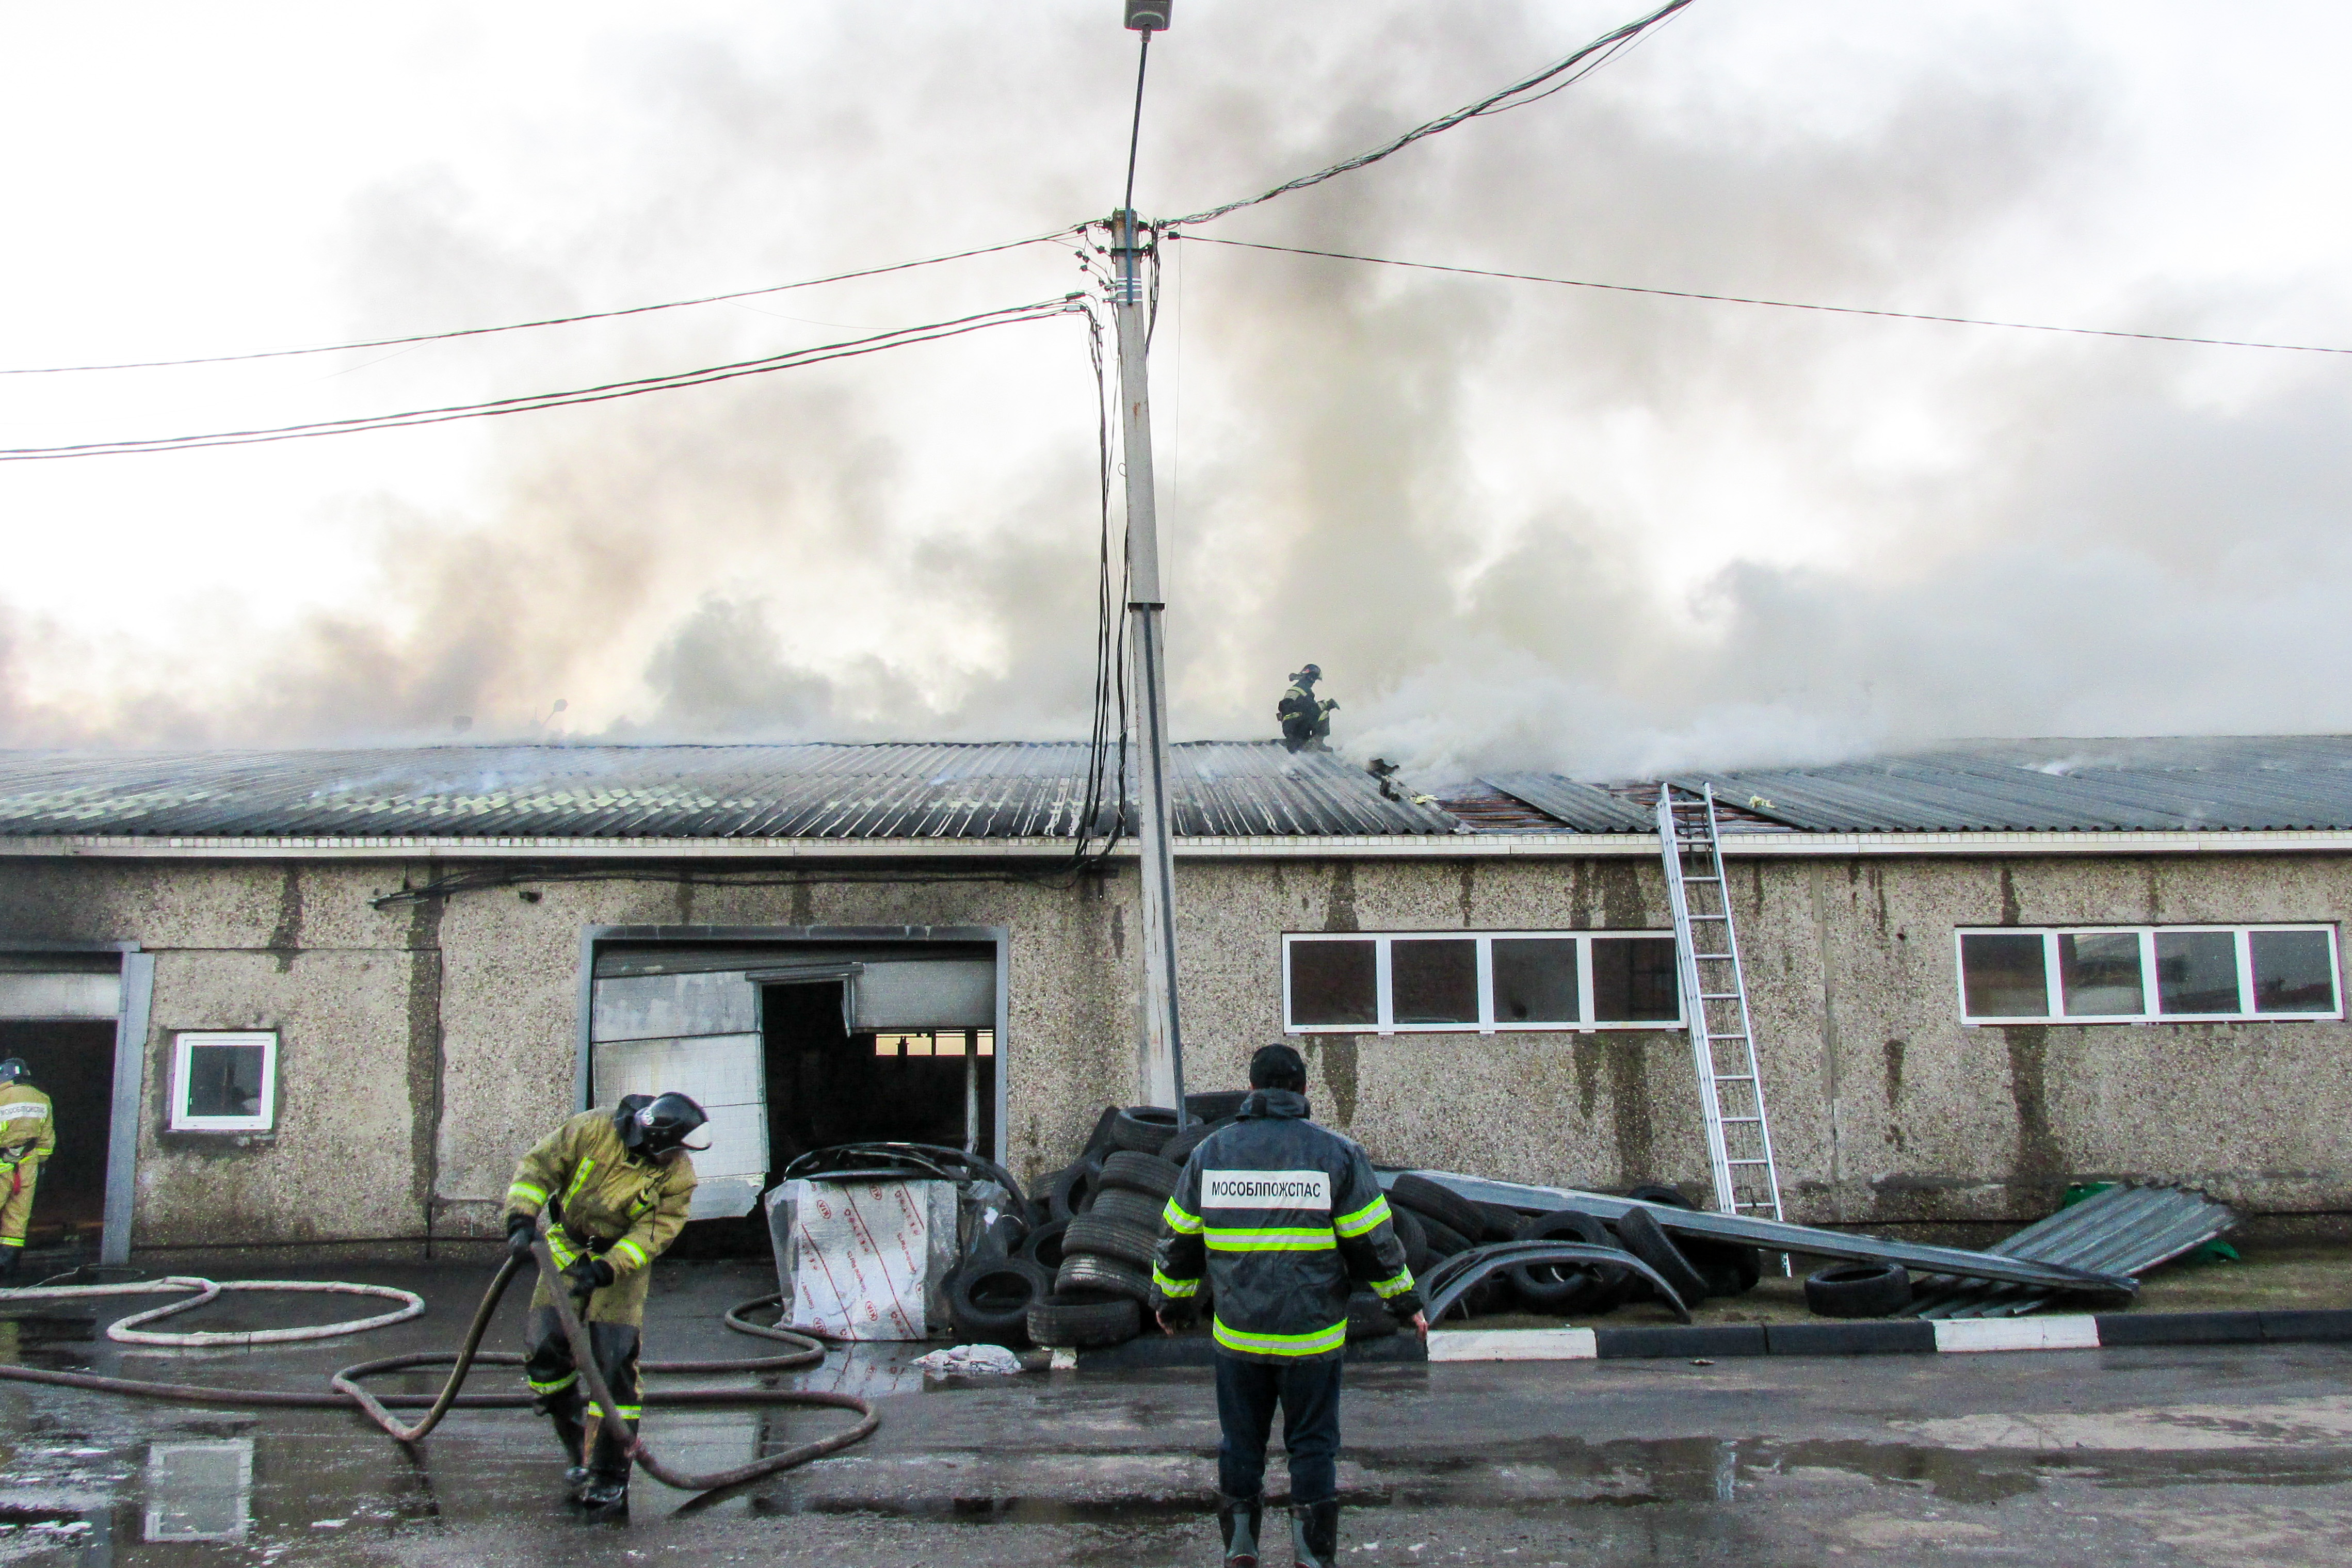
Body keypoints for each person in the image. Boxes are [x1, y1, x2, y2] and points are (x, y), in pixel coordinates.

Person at [1151, 1044, 1426, 1568]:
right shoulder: (1339, 1154)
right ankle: (1311, 1556)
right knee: (1313, 1447)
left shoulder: (1211, 1152)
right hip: (1312, 1340)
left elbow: (1178, 1239)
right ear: (1303, 1091)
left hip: (1238, 1339)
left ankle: (1239, 1548)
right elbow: (1372, 1243)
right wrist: (1405, 1303)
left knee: (1240, 1444)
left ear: (1250, 1090)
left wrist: (1172, 1302)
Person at [504, 1091, 705, 1521]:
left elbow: (657, 1230)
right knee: (544, 1352)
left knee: (612, 1363)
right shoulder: (592, 1130)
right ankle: (579, 1446)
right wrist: (521, 1217)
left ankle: (610, 1472)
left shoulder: (678, 1177)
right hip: (565, 1249)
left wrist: (609, 1268)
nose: (679, 1156)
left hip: (621, 1269)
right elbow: (538, 1167)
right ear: (653, 1138)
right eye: (674, 1147)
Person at [0, 1059, 54, 1283]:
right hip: (27, 1165)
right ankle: (6, 1274)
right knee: (16, 1220)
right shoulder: (42, 1099)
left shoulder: (2, 1098)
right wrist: (40, 1163)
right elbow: (46, 1140)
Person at [1276, 666, 1338, 753]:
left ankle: (1304, 741)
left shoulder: (1295, 690)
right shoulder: (1305, 691)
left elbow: (1287, 710)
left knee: (1312, 714)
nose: (1313, 682)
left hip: (1289, 730)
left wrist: (1290, 736)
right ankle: (1317, 742)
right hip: (1300, 727)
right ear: (1310, 677)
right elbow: (1313, 711)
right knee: (1324, 714)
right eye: (1314, 679)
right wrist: (1327, 705)